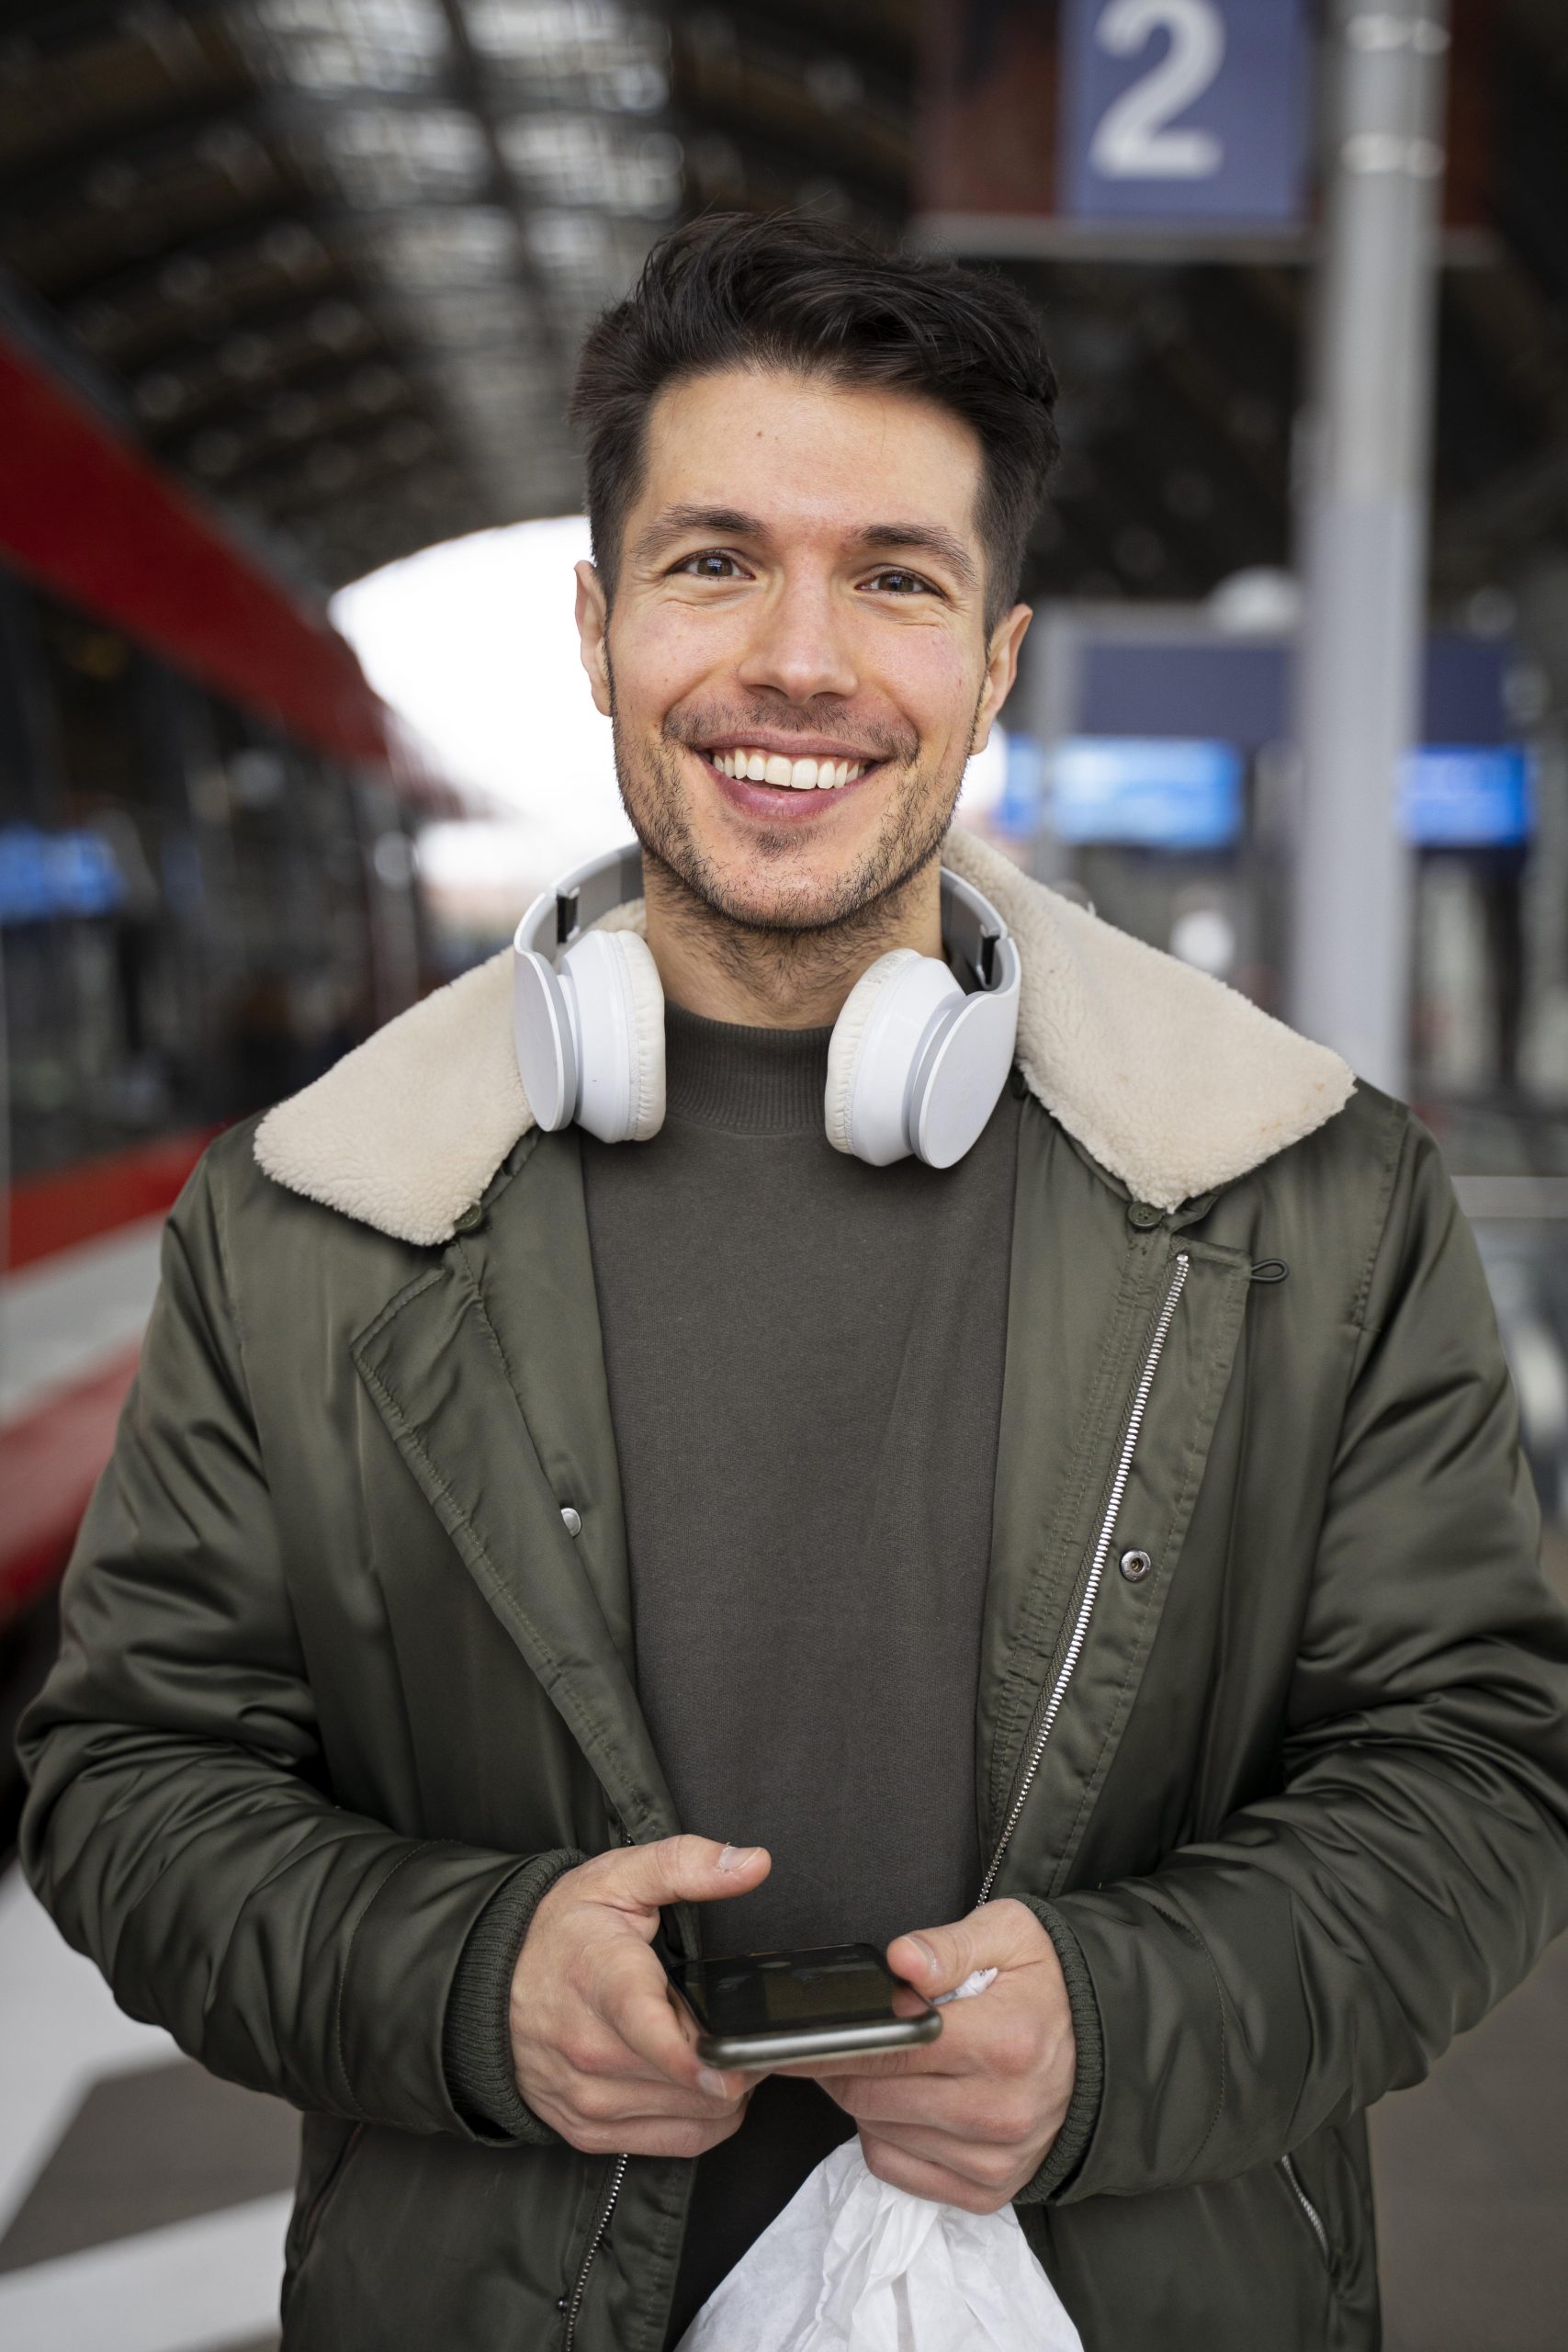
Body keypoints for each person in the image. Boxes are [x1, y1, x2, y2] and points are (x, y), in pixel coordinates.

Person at [18, 213, 1568, 2352]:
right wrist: (466, 1980)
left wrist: (1117, 2023)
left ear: (993, 663)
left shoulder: (1305, 1192)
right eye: (715, 558)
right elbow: (129, 1777)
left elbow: (1476, 1765)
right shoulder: (309, 1214)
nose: (800, 663)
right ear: (596, 623)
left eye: (895, 577)